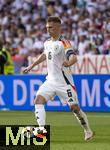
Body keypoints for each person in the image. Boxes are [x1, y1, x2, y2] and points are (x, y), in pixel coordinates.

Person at [23, 16, 94, 141]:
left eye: (51, 28)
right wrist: (32, 65)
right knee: (38, 100)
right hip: (50, 81)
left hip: (64, 83)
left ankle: (88, 130)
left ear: (58, 28)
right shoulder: (47, 43)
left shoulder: (64, 42)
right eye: (47, 28)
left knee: (75, 108)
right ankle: (41, 131)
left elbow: (73, 57)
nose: (48, 30)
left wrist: (69, 63)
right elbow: (45, 54)